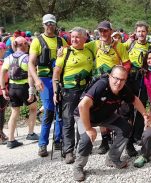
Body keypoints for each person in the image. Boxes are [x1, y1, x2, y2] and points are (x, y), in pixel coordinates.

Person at [73, 65, 151, 181]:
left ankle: (113, 158)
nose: (118, 82)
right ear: (110, 77)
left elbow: (135, 100)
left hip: (105, 116)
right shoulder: (101, 85)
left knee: (125, 128)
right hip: (84, 116)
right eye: (116, 78)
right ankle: (78, 167)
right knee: (87, 139)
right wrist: (88, 129)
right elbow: (82, 106)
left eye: (122, 80)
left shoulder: (124, 89)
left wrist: (144, 115)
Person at [84, 20, 131, 155]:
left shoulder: (119, 46)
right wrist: (64, 48)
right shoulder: (95, 44)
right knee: (101, 110)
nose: (103, 33)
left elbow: (127, 64)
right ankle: (105, 140)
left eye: (105, 30)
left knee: (119, 110)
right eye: (101, 31)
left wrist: (120, 74)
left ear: (111, 31)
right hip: (100, 83)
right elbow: (78, 46)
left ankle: (123, 138)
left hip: (115, 83)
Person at [52, 27, 94, 164]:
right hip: (68, 91)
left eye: (77, 37)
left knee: (83, 119)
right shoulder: (65, 52)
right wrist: (55, 91)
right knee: (68, 121)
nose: (74, 39)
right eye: (73, 37)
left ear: (84, 38)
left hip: (85, 90)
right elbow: (56, 73)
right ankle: (68, 151)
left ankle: (81, 147)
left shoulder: (89, 50)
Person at [28, 14, 67, 157]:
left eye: (52, 23)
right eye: (47, 23)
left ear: (55, 24)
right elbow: (31, 64)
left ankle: (58, 140)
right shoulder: (37, 41)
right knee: (49, 111)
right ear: (43, 24)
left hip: (58, 79)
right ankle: (42, 144)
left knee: (60, 112)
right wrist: (36, 80)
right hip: (44, 80)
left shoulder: (61, 40)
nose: (49, 25)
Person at [0, 37, 39, 149]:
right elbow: (30, 75)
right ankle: (30, 133)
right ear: (22, 45)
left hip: (12, 88)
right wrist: (31, 91)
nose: (28, 46)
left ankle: (11, 140)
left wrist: (3, 89)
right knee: (33, 108)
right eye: (27, 44)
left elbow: (2, 73)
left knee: (14, 112)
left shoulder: (8, 58)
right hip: (24, 87)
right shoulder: (27, 58)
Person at [121, 21, 151, 156]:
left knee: (141, 107)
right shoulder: (130, 43)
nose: (141, 34)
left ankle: (137, 135)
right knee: (127, 108)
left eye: (143, 31)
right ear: (135, 32)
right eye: (139, 31)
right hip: (129, 78)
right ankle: (127, 138)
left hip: (142, 78)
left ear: (147, 32)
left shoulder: (150, 46)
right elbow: (118, 49)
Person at [0, 42, 8, 144]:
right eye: (4, 49)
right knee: (1, 113)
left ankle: (1, 133)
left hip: (3, 90)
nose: (5, 51)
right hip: (1, 91)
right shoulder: (2, 64)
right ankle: (0, 135)